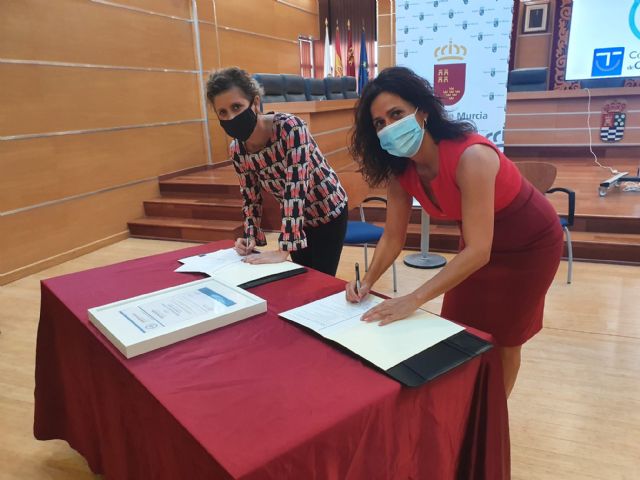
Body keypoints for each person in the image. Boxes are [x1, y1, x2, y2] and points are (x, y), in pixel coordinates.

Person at [346, 66, 563, 397]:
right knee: (456, 326)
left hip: (529, 244)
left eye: (396, 114)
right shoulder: (401, 173)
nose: (389, 127)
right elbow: (392, 237)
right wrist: (366, 283)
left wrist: (414, 299)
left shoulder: (471, 156)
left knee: (506, 338)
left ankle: (495, 417)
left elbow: (479, 250)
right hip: (478, 241)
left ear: (423, 112)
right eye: (380, 123)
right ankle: (462, 405)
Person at [206, 67, 348, 276]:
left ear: (255, 103)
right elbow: (250, 197)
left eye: (237, 107)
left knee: (321, 280)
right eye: (223, 112)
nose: (231, 117)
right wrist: (250, 235)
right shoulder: (237, 150)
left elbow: (295, 188)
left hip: (328, 211)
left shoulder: (290, 128)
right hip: (298, 220)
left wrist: (284, 248)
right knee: (300, 277)